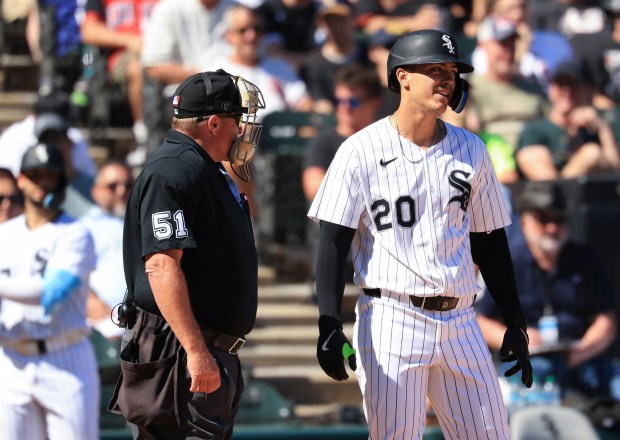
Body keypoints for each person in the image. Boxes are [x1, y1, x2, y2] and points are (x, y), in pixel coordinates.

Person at [307, 29, 532, 439]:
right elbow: (333, 239)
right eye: (434, 69)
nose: (446, 80)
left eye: (451, 71)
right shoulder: (359, 150)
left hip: (462, 318)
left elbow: (489, 240)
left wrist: (515, 318)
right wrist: (328, 321)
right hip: (393, 314)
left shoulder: (472, 149)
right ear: (402, 77)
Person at [108, 70, 265, 439]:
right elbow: (161, 266)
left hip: (203, 351)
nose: (242, 131)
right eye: (236, 122)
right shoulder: (172, 170)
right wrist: (196, 351)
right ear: (213, 123)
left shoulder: (203, 169)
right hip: (180, 351)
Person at [476, 180, 619, 400]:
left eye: (559, 220)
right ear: (524, 223)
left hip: (581, 357)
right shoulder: (504, 262)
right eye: (543, 219)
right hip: (525, 361)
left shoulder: (585, 258)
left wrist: (582, 350)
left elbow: (606, 320)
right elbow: (480, 321)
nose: (552, 228)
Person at [0, 142, 99, 439]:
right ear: (21, 179)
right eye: (34, 174)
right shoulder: (5, 233)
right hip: (11, 359)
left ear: (61, 180)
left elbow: (51, 292)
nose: (41, 181)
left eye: (49, 174)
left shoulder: (75, 233)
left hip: (64, 357)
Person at [466, 15, 549, 184]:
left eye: (512, 44)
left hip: (536, 157)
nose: (508, 51)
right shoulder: (471, 87)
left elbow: (553, 122)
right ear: (483, 46)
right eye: (502, 44)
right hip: (495, 163)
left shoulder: (533, 87)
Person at [516, 60, 620, 180]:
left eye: (573, 85)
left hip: (597, 195)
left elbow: (616, 173)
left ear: (585, 89)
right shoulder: (537, 129)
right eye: (561, 85)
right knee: (530, 155)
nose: (566, 92)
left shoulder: (600, 124)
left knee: (592, 153)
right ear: (551, 89)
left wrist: (602, 129)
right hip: (550, 190)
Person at [80, 0, 160, 147]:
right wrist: (129, 40)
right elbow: (89, 31)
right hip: (123, 56)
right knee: (137, 68)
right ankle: (144, 136)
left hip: (162, 55)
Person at [80, 160, 133, 339]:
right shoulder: (82, 227)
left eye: (128, 185)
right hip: (100, 326)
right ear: (95, 192)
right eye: (112, 186)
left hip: (141, 327)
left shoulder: (142, 222)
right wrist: (88, 297)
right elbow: (68, 268)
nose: (121, 191)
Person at [0, 90, 96, 180]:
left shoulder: (73, 137)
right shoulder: (14, 138)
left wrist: (67, 158)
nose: (51, 135)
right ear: (34, 116)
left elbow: (88, 178)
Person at [300, 0, 370, 114]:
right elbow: (320, 102)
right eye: (330, 22)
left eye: (341, 20)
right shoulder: (314, 63)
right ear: (320, 25)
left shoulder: (369, 54)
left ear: (353, 20)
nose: (336, 26)